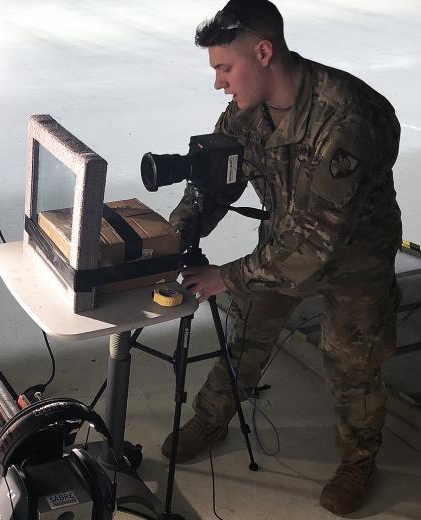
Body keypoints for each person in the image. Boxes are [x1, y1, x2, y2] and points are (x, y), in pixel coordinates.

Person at [165, 0, 402, 515]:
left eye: (225, 68)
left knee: (351, 360)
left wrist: (224, 276)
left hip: (353, 262)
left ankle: (359, 460)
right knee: (247, 330)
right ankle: (211, 418)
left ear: (264, 52)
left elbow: (315, 246)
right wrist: (172, 237)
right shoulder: (246, 114)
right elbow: (213, 183)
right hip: (283, 247)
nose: (219, 83)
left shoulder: (346, 119)